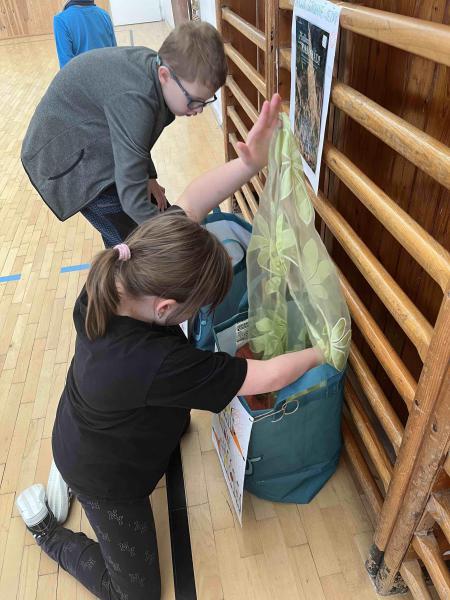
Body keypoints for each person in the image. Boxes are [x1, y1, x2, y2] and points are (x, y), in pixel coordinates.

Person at [16, 94, 322, 600]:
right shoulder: (153, 363)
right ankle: (48, 532)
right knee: (137, 595)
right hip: (104, 475)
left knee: (177, 422)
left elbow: (195, 202)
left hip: (108, 416)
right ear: (165, 308)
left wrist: (250, 163)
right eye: (193, 309)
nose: (196, 315)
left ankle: (83, 454)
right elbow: (265, 378)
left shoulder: (131, 267)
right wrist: (326, 350)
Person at [21, 21, 227, 247]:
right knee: (132, 245)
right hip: (65, 157)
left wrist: (149, 176)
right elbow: (132, 200)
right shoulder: (136, 99)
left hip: (94, 136)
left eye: (206, 101)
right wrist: (174, 241)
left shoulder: (157, 70)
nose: (199, 109)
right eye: (195, 100)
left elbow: (135, 136)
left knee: (150, 221)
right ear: (165, 75)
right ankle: (116, 267)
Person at [53, 0, 117, 69]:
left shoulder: (60, 20)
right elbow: (115, 53)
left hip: (83, 75)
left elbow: (66, 67)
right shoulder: (105, 15)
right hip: (109, 72)